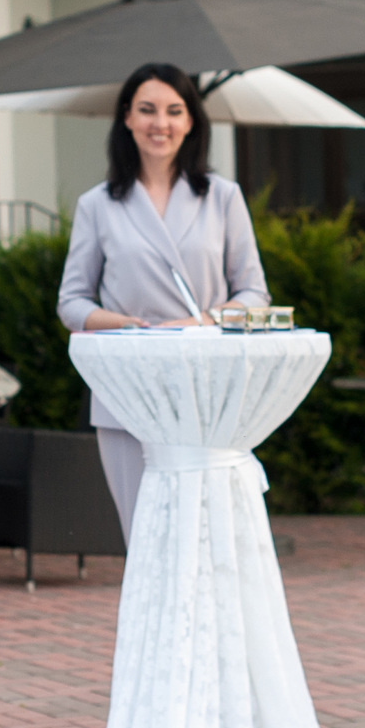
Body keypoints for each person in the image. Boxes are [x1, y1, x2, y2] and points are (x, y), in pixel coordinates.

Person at [56, 62, 268, 539]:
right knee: (144, 535)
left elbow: (254, 292)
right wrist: (127, 326)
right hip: (125, 385)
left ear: (191, 120)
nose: (161, 123)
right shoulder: (97, 205)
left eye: (174, 111)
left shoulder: (223, 198)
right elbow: (71, 302)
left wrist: (204, 321)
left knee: (207, 534)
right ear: (127, 118)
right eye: (147, 110)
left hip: (206, 384)